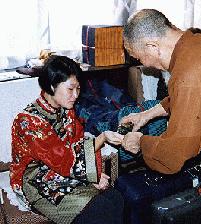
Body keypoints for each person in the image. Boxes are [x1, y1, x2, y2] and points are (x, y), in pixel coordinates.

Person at [120, 9, 201, 224]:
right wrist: (147, 114)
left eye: (140, 57)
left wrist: (141, 142)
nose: (146, 64)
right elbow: (199, 93)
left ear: (152, 46)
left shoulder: (187, 71)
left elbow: (176, 151)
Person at [10, 55, 124, 224]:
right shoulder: (29, 121)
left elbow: (77, 143)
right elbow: (64, 160)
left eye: (78, 89)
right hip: (37, 179)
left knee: (115, 198)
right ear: (51, 86)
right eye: (71, 89)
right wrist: (102, 138)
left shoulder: (65, 109)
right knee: (99, 210)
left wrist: (94, 176)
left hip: (65, 169)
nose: (76, 95)